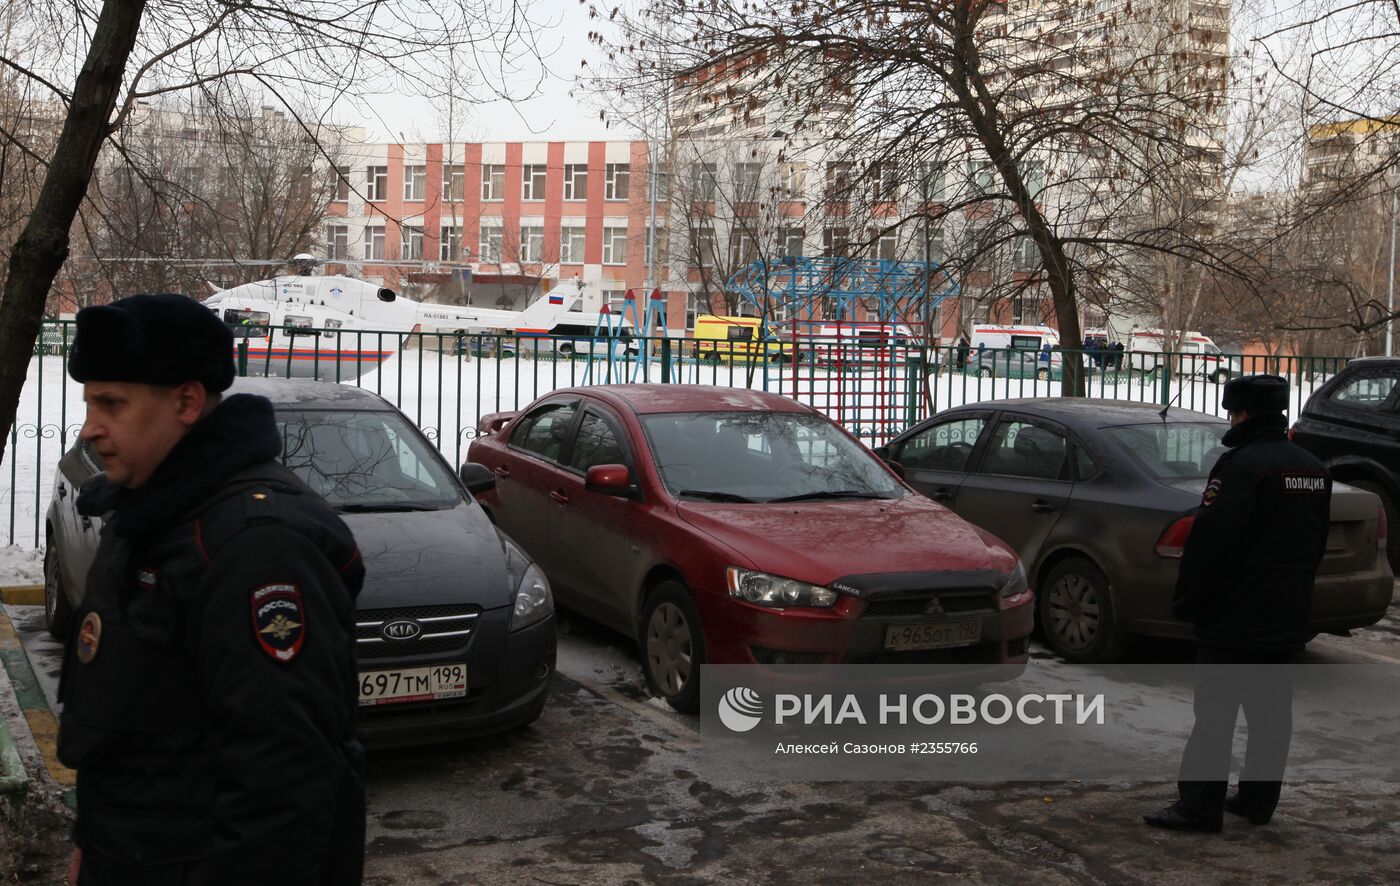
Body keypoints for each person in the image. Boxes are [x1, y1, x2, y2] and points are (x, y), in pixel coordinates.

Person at [58, 294, 366, 885]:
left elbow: (282, 789)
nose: (91, 427)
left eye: (111, 404)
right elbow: (138, 743)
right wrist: (91, 848)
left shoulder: (257, 546)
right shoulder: (153, 515)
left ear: (188, 402)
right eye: (89, 402)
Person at [1144, 374, 1331, 833]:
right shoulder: (1312, 468)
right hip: (1286, 613)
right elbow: (1316, 543)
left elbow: (1213, 544)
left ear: (1242, 413)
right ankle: (1258, 799)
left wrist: (1188, 602)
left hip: (1234, 616)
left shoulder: (1241, 467)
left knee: (1216, 716)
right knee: (1271, 717)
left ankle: (1200, 806)